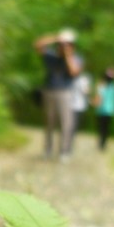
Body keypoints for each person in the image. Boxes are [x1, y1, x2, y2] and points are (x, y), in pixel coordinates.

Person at [33, 28, 80, 162]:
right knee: (49, 122)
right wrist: (57, 38)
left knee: (66, 122)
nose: (64, 47)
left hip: (65, 93)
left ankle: (64, 151)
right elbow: (38, 45)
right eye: (62, 45)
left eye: (68, 44)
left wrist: (68, 55)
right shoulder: (51, 56)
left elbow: (74, 72)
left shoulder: (76, 58)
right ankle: (47, 149)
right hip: (49, 91)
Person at [94, 67, 114, 150]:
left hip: (102, 110)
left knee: (101, 128)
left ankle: (101, 143)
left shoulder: (102, 86)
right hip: (109, 111)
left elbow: (99, 98)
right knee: (106, 128)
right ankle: (103, 143)